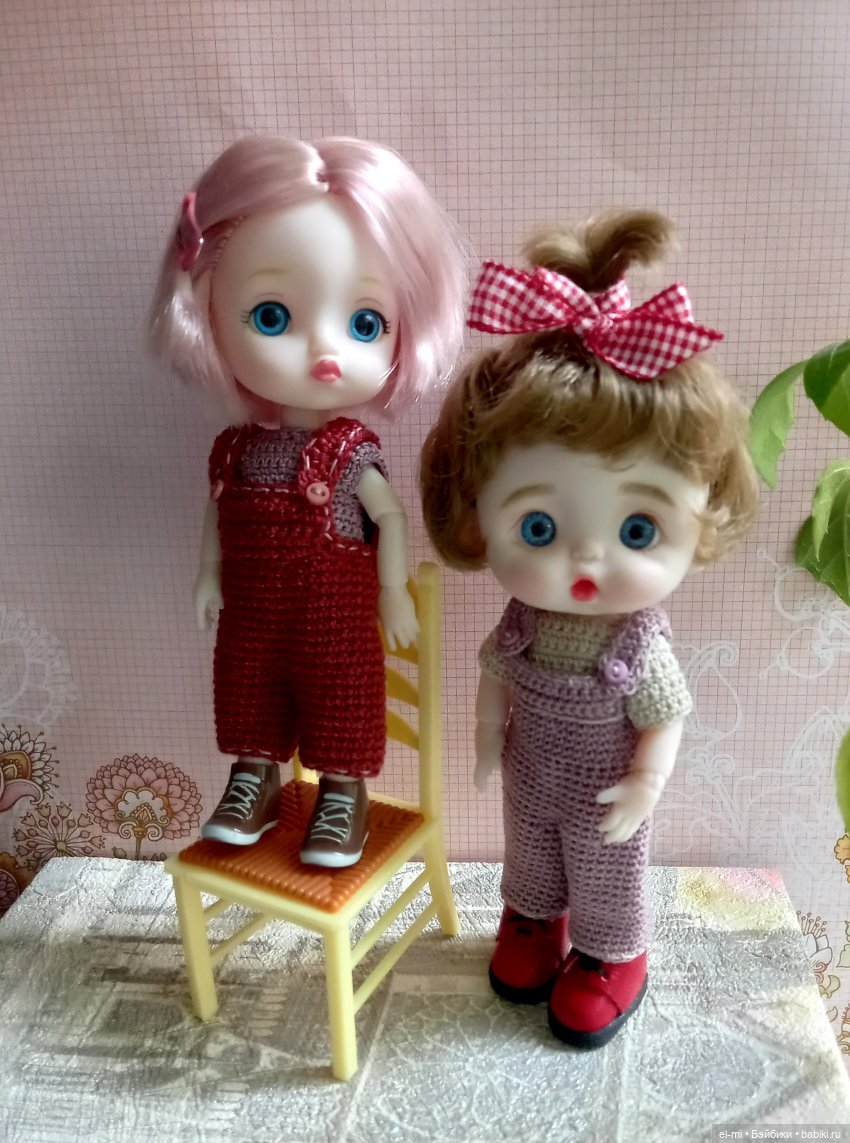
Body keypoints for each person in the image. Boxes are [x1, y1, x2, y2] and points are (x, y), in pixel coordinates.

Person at [421, 209, 758, 1046]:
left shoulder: (638, 642)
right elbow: (496, 677)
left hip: (610, 788)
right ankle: (534, 918)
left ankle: (613, 953)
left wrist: (646, 783)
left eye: (638, 529)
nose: (587, 558)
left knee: (609, 872)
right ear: (476, 515)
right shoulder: (521, 620)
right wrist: (486, 736)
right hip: (530, 773)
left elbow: (665, 715)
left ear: (700, 520)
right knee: (530, 852)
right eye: (536, 527)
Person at [150, 136, 465, 868]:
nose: (325, 352)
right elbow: (218, 514)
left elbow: (388, 515)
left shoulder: (349, 450)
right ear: (207, 313)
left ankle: (343, 794)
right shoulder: (234, 450)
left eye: (365, 323)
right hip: (253, 618)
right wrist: (207, 572)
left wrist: (392, 591)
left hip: (336, 620)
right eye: (272, 316)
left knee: (342, 701)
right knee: (246, 692)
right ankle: (254, 779)